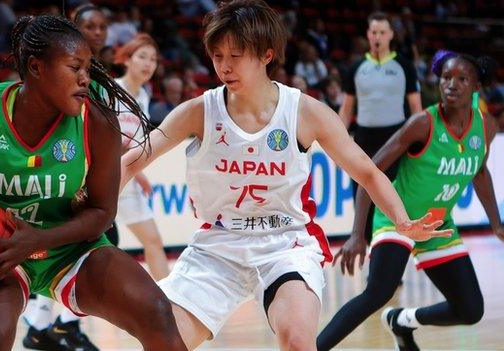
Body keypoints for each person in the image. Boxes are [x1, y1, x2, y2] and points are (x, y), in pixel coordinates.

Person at [120, 1, 450, 350]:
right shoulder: (199, 111)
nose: (225, 67)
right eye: (217, 56)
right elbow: (130, 161)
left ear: (266, 55)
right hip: (218, 245)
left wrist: (401, 220)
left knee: (297, 342)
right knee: (164, 343)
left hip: (286, 242)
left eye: (236, 56)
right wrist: (87, 202)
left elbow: (368, 172)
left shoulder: (305, 112)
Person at [0, 15, 187, 351]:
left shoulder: (98, 120)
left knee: (156, 311)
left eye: (88, 67)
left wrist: (39, 239)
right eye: (74, 68)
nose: (86, 79)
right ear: (36, 68)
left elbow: (101, 211)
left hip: (70, 247)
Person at [317, 51, 503, 351]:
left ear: (476, 87)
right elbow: (369, 173)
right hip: (397, 219)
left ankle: (401, 321)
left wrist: (496, 224)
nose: (451, 85)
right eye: (445, 78)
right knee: (378, 292)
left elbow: (480, 172)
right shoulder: (423, 123)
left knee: (471, 310)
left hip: (437, 226)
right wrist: (356, 234)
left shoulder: (486, 127)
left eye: (461, 79)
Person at [20, 6, 118, 350]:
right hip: (61, 185)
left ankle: (47, 326)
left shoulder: (101, 82)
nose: (98, 31)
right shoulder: (56, 83)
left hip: (95, 184)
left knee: (92, 251)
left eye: (103, 25)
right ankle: (56, 325)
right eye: (89, 25)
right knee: (84, 252)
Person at [338, 11, 423, 243]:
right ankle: (366, 251)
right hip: (364, 140)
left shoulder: (404, 66)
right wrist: (335, 140)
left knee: (396, 199)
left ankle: (393, 253)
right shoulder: (355, 68)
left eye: (382, 32)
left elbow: (417, 109)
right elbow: (346, 110)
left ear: (390, 35)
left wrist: (421, 144)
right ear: (368, 34)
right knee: (362, 198)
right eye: (374, 32)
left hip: (396, 140)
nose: (377, 36)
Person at [114, 33, 170, 280]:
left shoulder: (144, 96)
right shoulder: (112, 89)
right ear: (127, 60)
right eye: (142, 57)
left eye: (153, 59)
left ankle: (169, 301)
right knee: (82, 249)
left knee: (154, 241)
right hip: (101, 179)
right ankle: (45, 314)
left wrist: (139, 174)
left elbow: (134, 144)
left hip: (126, 179)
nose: (148, 64)